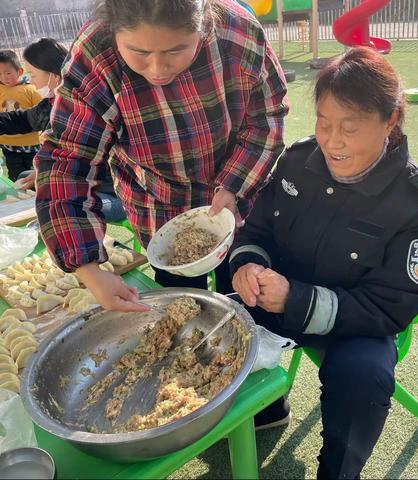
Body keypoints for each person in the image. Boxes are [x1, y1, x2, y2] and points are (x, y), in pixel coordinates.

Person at [229, 47, 418, 479]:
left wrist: (296, 299)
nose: (332, 141)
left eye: (350, 128)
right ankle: (268, 408)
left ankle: (338, 471)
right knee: (212, 308)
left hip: (354, 324)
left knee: (364, 379)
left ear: (389, 122)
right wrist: (247, 266)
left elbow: (390, 307)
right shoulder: (296, 161)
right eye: (324, 124)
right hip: (278, 291)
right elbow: (255, 230)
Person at [35, 0, 288, 311]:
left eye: (175, 50)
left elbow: (266, 118)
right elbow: (68, 160)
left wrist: (234, 186)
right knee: (179, 307)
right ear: (114, 31)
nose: (157, 70)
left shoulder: (239, 33)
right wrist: (89, 269)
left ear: (204, 27)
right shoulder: (94, 55)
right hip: (156, 204)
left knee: (238, 293)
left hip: (236, 198)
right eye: (139, 53)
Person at [0, 38, 126, 223]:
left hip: (110, 192)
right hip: (76, 182)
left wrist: (52, 173)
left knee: (64, 201)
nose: (32, 83)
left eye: (33, 76)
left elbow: (95, 163)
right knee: (24, 176)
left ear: (55, 76)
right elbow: (21, 119)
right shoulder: (52, 104)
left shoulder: (90, 108)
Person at [0, 50, 42, 181]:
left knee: (35, 177)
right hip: (8, 145)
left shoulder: (31, 90)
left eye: (8, 73)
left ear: (20, 71)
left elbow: (41, 114)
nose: (4, 78)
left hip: (31, 146)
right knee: (15, 177)